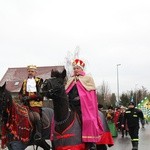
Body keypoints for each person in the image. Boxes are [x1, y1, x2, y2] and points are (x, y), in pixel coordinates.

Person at [65, 59, 103, 150]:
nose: (76, 70)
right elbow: (66, 91)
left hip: (83, 105)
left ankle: (91, 142)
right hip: (71, 104)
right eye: (74, 68)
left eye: (77, 68)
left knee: (89, 120)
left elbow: (90, 94)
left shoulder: (88, 78)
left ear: (81, 69)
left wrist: (80, 97)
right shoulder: (70, 79)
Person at [19, 65, 44, 141]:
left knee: (36, 116)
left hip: (35, 104)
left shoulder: (39, 81)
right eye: (29, 71)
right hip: (25, 104)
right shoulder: (25, 82)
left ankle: (38, 133)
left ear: (35, 72)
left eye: (32, 71)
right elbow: (20, 93)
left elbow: (40, 94)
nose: (30, 73)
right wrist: (21, 98)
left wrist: (29, 97)